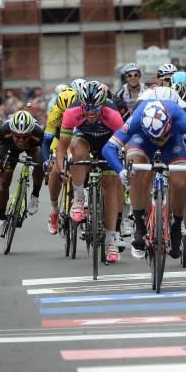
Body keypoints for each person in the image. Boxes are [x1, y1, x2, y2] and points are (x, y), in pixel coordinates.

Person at [103, 98, 186, 260]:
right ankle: (140, 226)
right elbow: (108, 148)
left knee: (180, 183)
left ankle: (176, 225)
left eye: (161, 137)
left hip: (173, 143)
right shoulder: (137, 119)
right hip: (143, 142)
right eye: (155, 138)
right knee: (134, 171)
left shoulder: (180, 118)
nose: (159, 141)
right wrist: (121, 171)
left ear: (169, 124)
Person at [62, 81, 126, 262]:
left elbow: (125, 145)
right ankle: (79, 198)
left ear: (103, 105)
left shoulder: (113, 115)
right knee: (77, 149)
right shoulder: (71, 113)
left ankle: (110, 240)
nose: (90, 112)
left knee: (110, 186)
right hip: (85, 140)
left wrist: (124, 167)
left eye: (95, 108)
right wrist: (61, 168)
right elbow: (62, 146)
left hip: (109, 143)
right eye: (87, 107)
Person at [0, 111, 44, 238]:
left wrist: (47, 168)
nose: (21, 140)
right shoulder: (3, 132)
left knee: (40, 161)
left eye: (25, 136)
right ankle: (1, 219)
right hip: (9, 149)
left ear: (31, 133)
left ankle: (35, 194)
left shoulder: (39, 134)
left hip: (33, 148)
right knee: (4, 182)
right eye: (17, 136)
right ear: (11, 132)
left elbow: (48, 155)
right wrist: (0, 164)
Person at [41, 86, 79, 235]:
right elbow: (45, 142)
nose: (67, 115)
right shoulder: (55, 113)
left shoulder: (82, 110)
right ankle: (54, 211)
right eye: (64, 112)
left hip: (77, 140)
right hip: (60, 141)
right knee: (55, 172)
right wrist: (46, 161)